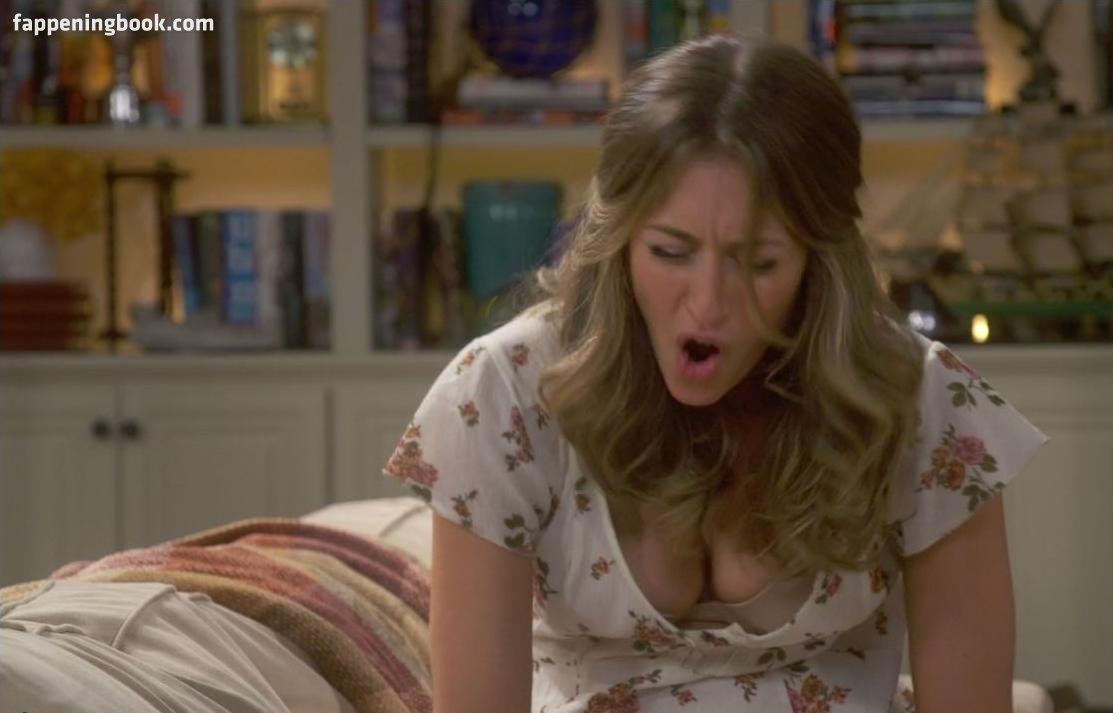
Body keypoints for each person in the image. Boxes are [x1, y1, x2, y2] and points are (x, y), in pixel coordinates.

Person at [384, 36, 1049, 713]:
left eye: (759, 263)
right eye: (671, 252)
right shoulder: (506, 393)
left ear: (818, 260)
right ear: (619, 240)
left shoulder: (916, 400)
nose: (708, 303)